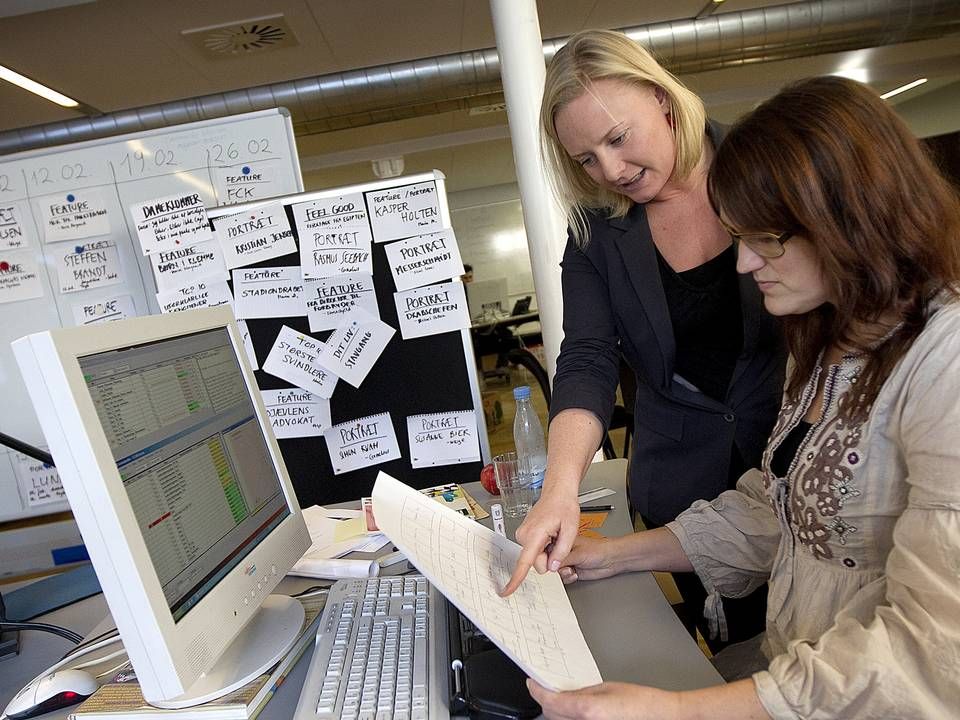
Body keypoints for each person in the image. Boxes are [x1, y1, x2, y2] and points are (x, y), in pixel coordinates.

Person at [525, 75, 960, 719]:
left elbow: (932, 652)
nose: (743, 265)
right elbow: (775, 510)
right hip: (795, 667)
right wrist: (610, 556)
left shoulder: (944, 364)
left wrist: (679, 712)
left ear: (846, 217)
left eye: (766, 240)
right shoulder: (825, 348)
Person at [501, 29, 785, 648]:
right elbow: (587, 359)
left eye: (617, 138)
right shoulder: (597, 234)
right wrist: (560, 490)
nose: (611, 170)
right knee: (734, 649)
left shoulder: (764, 166)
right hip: (679, 482)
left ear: (662, 99)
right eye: (585, 159)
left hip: (788, 463)